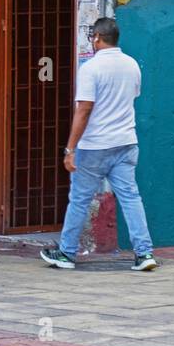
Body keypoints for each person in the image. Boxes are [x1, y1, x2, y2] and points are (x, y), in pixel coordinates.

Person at [42, 17, 158, 272]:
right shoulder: (132, 65)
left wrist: (70, 148)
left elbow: (84, 109)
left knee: (80, 200)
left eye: (92, 37)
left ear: (96, 37)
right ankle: (144, 252)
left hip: (94, 146)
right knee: (130, 197)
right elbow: (133, 96)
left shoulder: (91, 68)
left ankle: (67, 253)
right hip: (126, 142)